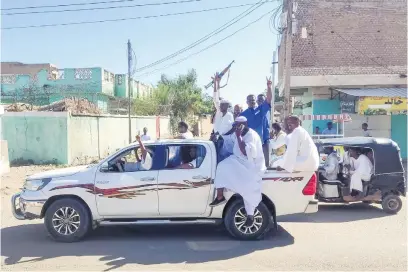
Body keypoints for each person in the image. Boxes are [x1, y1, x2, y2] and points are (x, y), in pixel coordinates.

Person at [209, 116, 266, 227]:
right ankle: (220, 196)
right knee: (221, 166)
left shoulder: (251, 135)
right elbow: (229, 139)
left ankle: (250, 214)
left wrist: (239, 136)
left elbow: (245, 152)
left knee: (248, 188)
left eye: (240, 125)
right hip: (237, 160)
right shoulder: (237, 132)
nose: (237, 127)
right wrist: (218, 137)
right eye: (236, 125)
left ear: (246, 124)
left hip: (250, 165)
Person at [240, 77, 273, 166]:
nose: (252, 102)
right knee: (251, 165)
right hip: (249, 144)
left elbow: (269, 99)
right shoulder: (243, 114)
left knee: (264, 165)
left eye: (253, 100)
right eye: (250, 100)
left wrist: (269, 87)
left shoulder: (261, 109)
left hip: (262, 142)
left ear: (256, 101)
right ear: (246, 102)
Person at [257, 93, 271, 167]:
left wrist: (269, 87)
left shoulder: (265, 109)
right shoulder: (255, 111)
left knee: (266, 161)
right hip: (257, 139)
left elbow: (269, 98)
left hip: (265, 138)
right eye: (259, 100)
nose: (260, 101)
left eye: (262, 100)